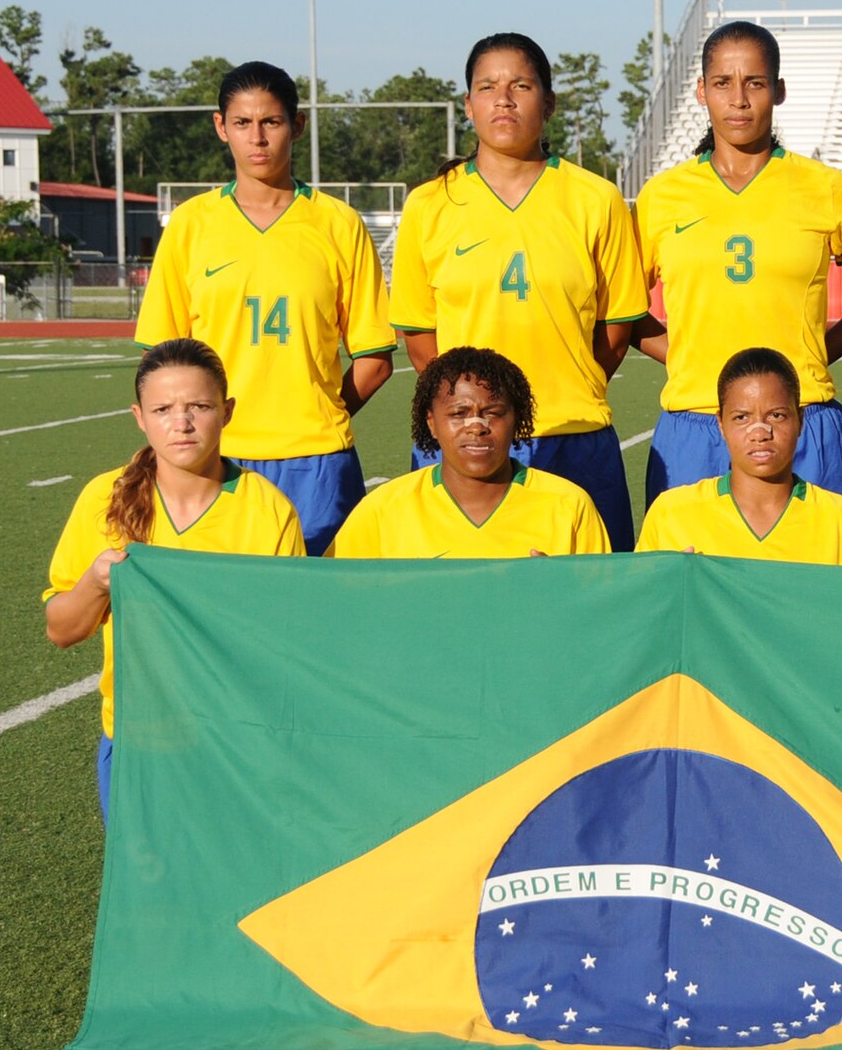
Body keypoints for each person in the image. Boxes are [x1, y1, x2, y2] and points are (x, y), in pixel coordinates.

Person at [391, 33, 649, 549]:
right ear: (468, 105)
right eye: (487, 87)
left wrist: (565, 391)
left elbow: (616, 328)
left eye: (521, 85)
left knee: (590, 605)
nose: (503, 99)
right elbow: (418, 334)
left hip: (572, 437)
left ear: (548, 102)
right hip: (468, 445)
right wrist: (469, 411)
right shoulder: (429, 204)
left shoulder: (596, 199)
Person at [136, 60, 396, 556]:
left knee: (323, 608)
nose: (257, 138)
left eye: (271, 122)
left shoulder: (338, 224)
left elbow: (375, 358)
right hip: (216, 456)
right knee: (224, 608)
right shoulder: (191, 225)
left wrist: (320, 413)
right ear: (221, 127)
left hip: (318, 458)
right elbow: (161, 359)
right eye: (242, 123)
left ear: (296, 126)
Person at [633, 20, 842, 507]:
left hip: (801, 418)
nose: (738, 100)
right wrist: (686, 355)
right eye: (722, 84)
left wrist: (819, 351)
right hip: (695, 420)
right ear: (700, 92)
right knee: (687, 580)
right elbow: (621, 309)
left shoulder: (824, 188)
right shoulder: (661, 198)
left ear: (777, 91)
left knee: (819, 578)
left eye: (754, 83)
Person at [44, 339, 305, 820]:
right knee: (146, 887)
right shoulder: (105, 498)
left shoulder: (266, 509)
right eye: (162, 408)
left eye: (199, 407)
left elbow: (285, 646)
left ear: (226, 412)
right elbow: (61, 630)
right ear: (139, 416)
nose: (181, 423)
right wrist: (97, 582)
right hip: (140, 739)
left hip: (236, 740)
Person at [329, 346, 610, 560]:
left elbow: (601, 607)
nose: (476, 427)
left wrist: (565, 588)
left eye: (494, 413)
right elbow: (334, 599)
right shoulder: (381, 511)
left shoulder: (569, 506)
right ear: (432, 423)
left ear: (517, 421)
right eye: (459, 413)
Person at [635, 347, 842, 567]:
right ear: (721, 425)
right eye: (741, 418)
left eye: (776, 415)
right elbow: (645, 609)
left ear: (800, 420)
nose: (760, 433)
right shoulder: (671, 515)